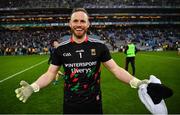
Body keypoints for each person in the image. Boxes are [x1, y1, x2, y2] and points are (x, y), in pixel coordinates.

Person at [15, 8, 149, 114]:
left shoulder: (99, 46)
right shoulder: (61, 49)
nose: (79, 25)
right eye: (75, 21)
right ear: (70, 23)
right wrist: (33, 87)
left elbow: (116, 69)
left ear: (88, 24)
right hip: (70, 103)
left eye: (82, 21)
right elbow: (50, 74)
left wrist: (137, 82)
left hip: (94, 103)